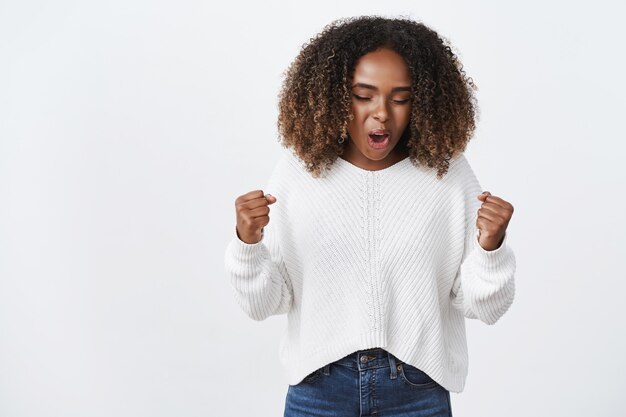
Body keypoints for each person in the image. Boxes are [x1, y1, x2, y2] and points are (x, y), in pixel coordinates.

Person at [224, 15, 516, 417]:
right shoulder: (298, 173)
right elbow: (264, 304)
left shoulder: (447, 175)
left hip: (417, 391)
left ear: (423, 101)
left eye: (400, 98)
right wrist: (247, 244)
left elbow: (483, 306)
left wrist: (491, 248)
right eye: (364, 95)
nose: (382, 114)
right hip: (319, 390)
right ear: (334, 95)